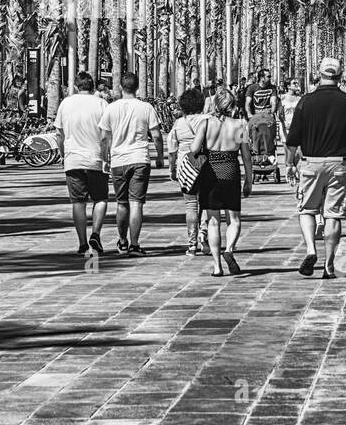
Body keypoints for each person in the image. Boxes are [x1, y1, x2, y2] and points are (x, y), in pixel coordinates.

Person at [285, 56, 346, 279]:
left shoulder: (306, 101)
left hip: (311, 162)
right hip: (340, 163)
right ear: (340, 76)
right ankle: (329, 264)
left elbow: (293, 139)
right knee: (334, 215)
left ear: (319, 75)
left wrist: (289, 164)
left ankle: (311, 249)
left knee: (306, 210)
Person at [99, 71, 163, 257]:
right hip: (140, 159)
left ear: (120, 87)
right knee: (137, 204)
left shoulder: (111, 108)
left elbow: (104, 138)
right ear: (137, 87)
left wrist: (105, 159)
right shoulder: (146, 108)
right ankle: (135, 245)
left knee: (122, 203)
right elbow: (157, 136)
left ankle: (123, 241)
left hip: (118, 160)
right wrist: (160, 157)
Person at [191, 87, 252, 277]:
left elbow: (193, 148)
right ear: (232, 105)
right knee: (234, 219)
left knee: (213, 221)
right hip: (231, 171)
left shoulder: (206, 124)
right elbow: (246, 156)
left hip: (210, 173)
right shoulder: (241, 125)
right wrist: (249, 180)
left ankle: (217, 266)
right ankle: (230, 250)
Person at [54, 71, 108, 256]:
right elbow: (105, 135)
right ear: (92, 86)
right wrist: (106, 156)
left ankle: (82, 242)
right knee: (100, 199)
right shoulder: (101, 103)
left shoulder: (66, 103)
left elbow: (59, 134)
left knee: (78, 202)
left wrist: (63, 154)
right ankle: (96, 233)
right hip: (95, 158)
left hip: (73, 159)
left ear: (76, 86)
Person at [167, 87, 206, 255]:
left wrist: (172, 168)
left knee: (191, 205)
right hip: (206, 166)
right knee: (206, 204)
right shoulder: (208, 120)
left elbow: (171, 149)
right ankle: (204, 236)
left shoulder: (178, 124)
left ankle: (192, 244)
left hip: (186, 168)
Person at [246, 70, 279, 156]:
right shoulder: (252, 88)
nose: (270, 78)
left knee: (270, 139)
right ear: (262, 78)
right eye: (268, 76)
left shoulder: (272, 88)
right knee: (253, 137)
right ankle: (254, 153)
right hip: (255, 118)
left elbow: (274, 102)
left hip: (268, 118)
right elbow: (248, 103)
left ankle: (270, 155)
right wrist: (249, 114)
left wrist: (272, 112)